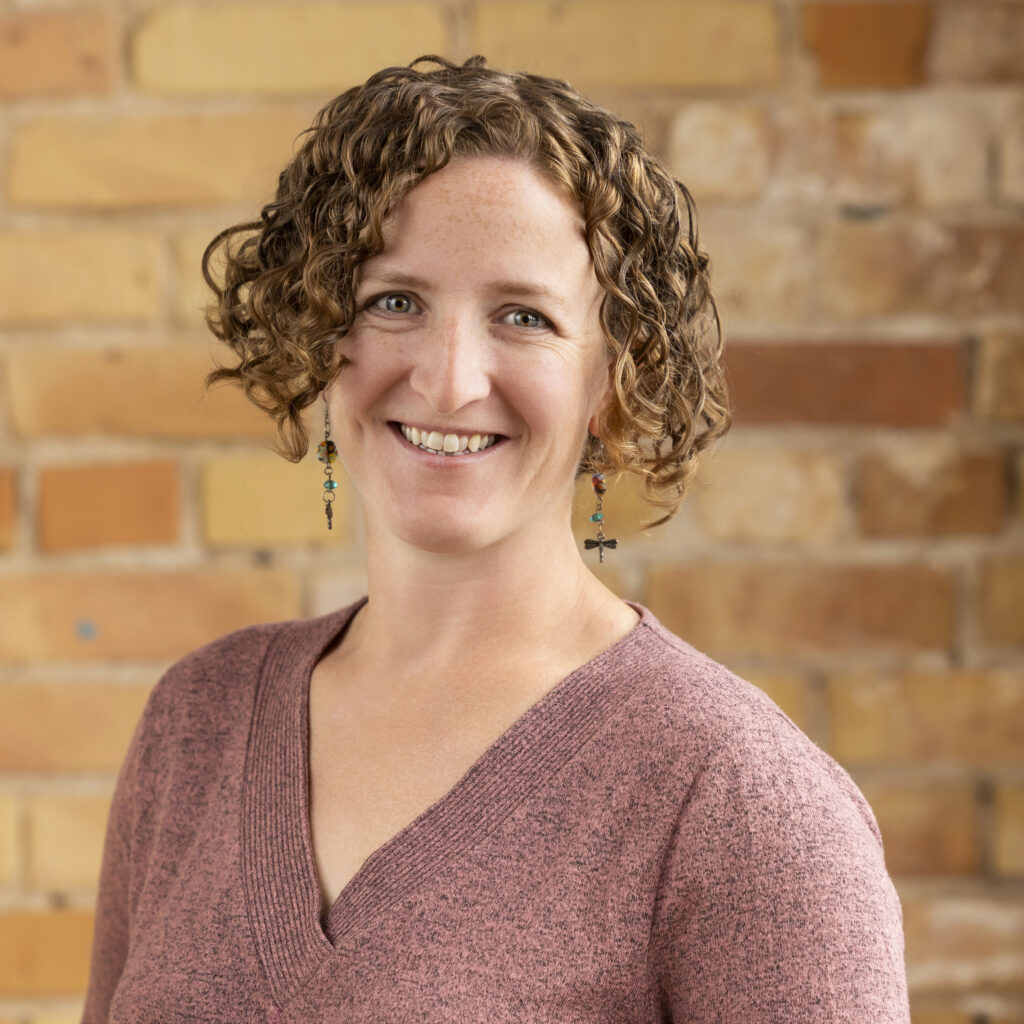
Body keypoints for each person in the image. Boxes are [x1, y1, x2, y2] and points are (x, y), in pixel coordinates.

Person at [82, 54, 911, 1023]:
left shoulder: (739, 800)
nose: (447, 379)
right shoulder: (198, 721)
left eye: (523, 317)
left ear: (613, 380)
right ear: (320, 330)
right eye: (395, 301)